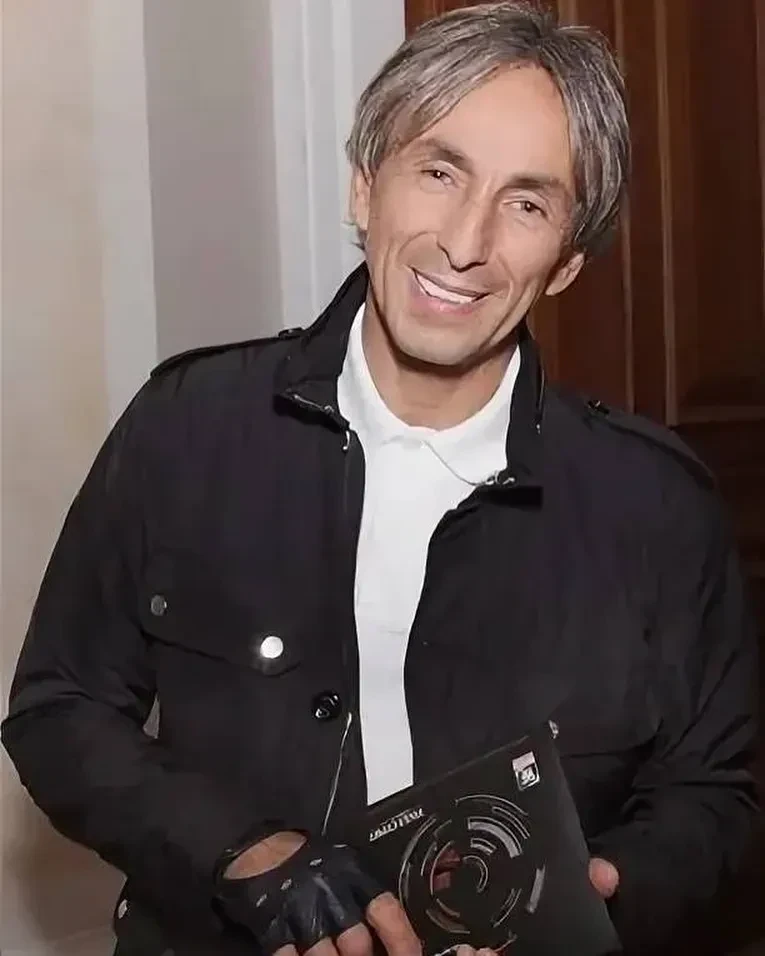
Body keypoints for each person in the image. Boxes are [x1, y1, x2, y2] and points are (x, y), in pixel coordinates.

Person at [2, 2, 758, 955]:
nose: (465, 242)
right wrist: (242, 853)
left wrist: (597, 901)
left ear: (566, 263)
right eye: (438, 172)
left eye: (526, 204)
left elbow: (711, 793)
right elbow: (61, 711)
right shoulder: (187, 427)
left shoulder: (654, 504)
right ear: (364, 187)